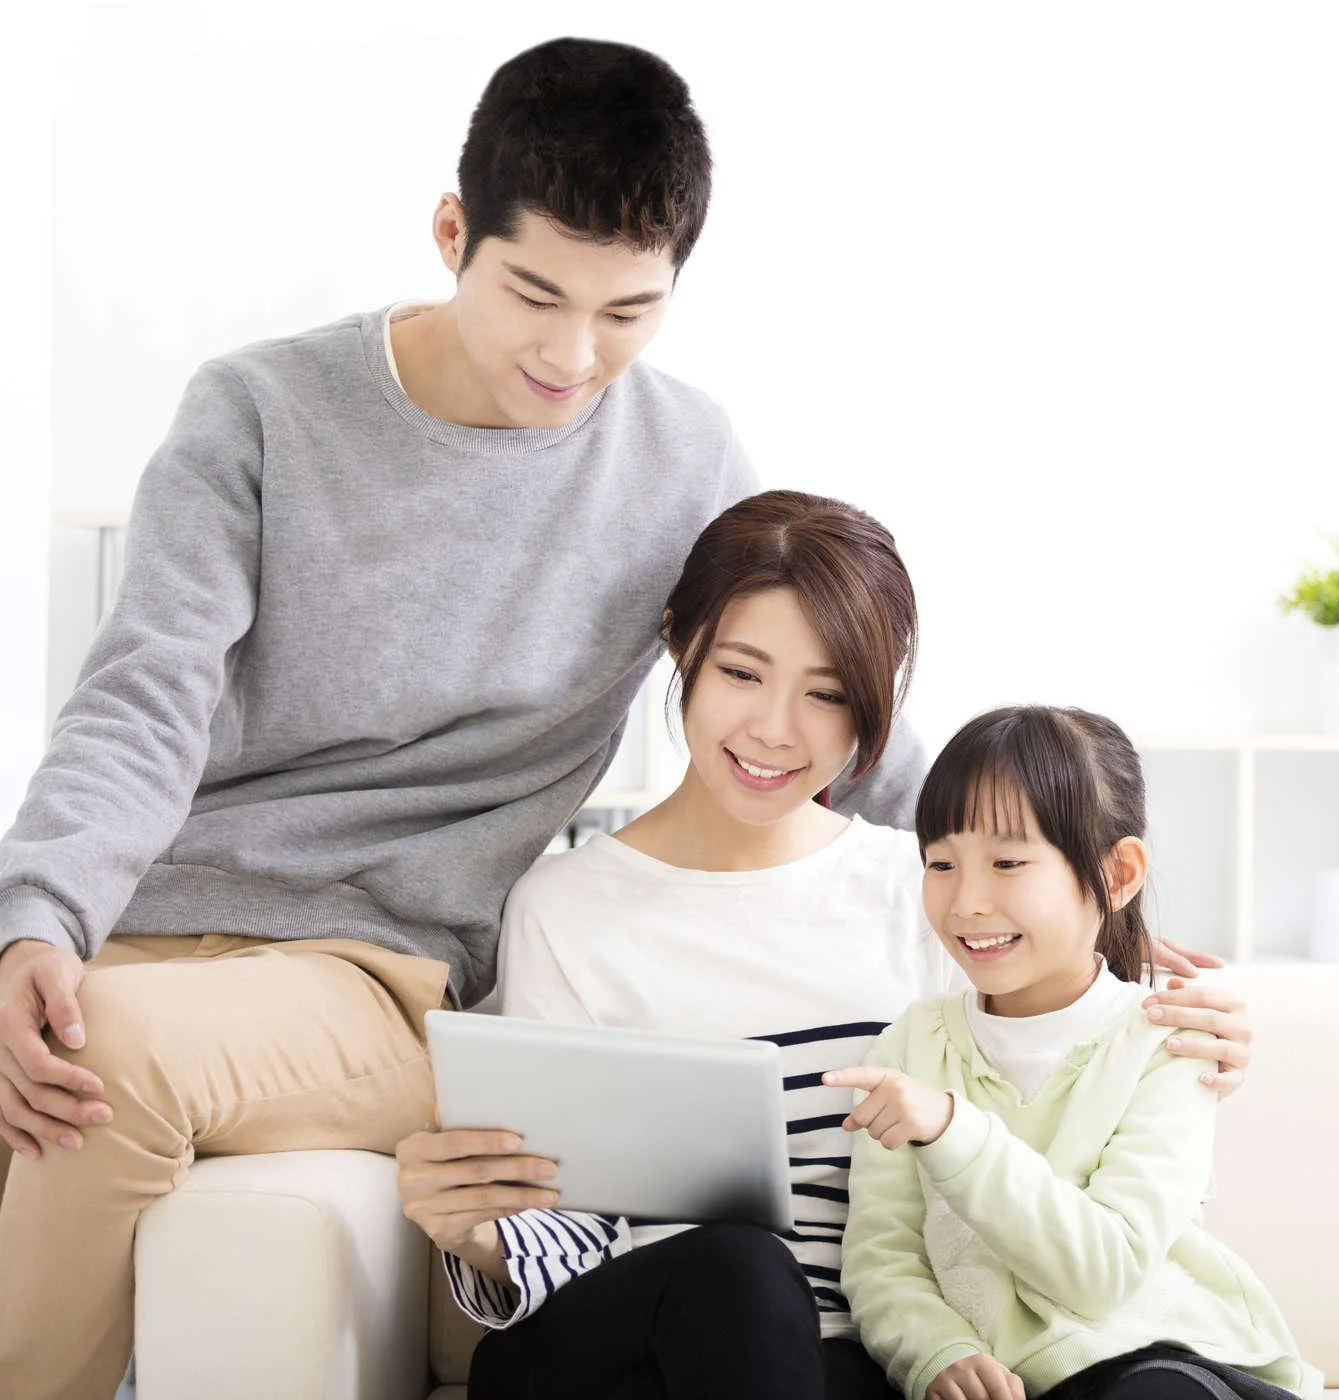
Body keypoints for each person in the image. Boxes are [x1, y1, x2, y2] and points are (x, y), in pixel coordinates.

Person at [0, 39, 921, 1399]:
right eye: (535, 294)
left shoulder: (681, 457)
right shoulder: (259, 411)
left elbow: (819, 678)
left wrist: (1051, 882)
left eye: (629, 314)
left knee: (106, 1057)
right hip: (154, 920)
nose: (573, 355)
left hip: (384, 972)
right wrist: (41, 915)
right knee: (72, 1020)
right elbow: (145, 689)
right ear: (451, 233)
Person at [396, 493, 1255, 1400]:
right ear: (678, 643)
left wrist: (1200, 1028)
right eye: (740, 673)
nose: (775, 728)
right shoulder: (565, 909)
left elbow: (1073, 1102)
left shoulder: (935, 895)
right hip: (650, 1338)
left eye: (828, 694)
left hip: (870, 1356)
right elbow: (570, 1215)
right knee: (740, 1267)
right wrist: (481, 1235)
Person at [835, 705, 1321, 1400]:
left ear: (1117, 875)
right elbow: (882, 1258)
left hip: (1150, 1365)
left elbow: (1104, 1272)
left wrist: (952, 1129)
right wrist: (936, 1350)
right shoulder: (910, 1048)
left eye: (1008, 862)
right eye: (941, 862)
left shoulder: (1169, 1044)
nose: (967, 901)